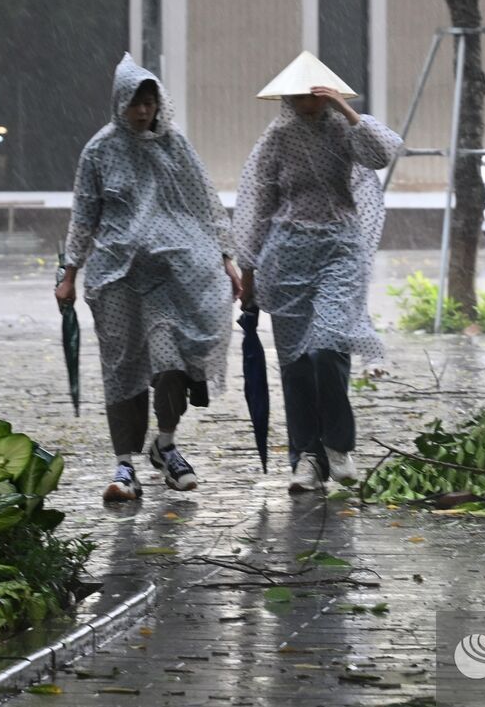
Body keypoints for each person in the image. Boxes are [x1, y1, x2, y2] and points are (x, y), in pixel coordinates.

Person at [55, 53, 241, 503]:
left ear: (159, 104)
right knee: (124, 371)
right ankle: (124, 465)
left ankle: (167, 443)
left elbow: (206, 204)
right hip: (116, 278)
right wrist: (69, 274)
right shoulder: (99, 151)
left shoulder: (176, 148)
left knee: (170, 364)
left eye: (149, 102)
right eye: (135, 102)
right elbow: (84, 217)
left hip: (168, 278)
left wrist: (227, 258)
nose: (142, 111)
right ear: (120, 103)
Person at [232, 51, 402, 493]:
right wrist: (247, 274)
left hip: (340, 248)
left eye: (314, 93)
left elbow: (383, 153)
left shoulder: (343, 129)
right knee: (296, 362)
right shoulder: (276, 138)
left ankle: (339, 446)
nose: (307, 101)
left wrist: (347, 109)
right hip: (286, 255)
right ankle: (306, 455)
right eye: (299, 94)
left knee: (328, 346)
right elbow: (256, 205)